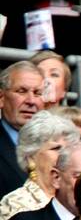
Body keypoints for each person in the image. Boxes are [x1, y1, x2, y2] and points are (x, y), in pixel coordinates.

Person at [0, 62, 50, 195]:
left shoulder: (56, 143)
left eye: (37, 93)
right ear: (1, 98)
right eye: (21, 91)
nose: (31, 101)